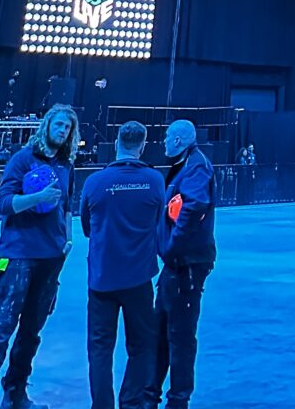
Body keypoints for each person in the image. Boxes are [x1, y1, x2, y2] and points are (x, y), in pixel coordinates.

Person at [0, 103, 79, 409]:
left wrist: (68, 239)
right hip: (17, 256)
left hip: (51, 258)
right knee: (0, 330)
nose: (62, 131)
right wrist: (37, 198)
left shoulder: (66, 166)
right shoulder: (22, 159)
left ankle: (15, 395)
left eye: (67, 127)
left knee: (31, 332)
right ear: (47, 125)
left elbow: (67, 206)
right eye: (58, 124)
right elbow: (4, 204)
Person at [80, 119, 163, 409]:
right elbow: (159, 222)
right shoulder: (154, 180)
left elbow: (87, 228)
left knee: (100, 349)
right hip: (139, 279)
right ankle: (131, 402)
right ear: (142, 146)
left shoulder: (94, 182)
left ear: (116, 143)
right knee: (141, 345)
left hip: (102, 279)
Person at [150, 118, 216, 409]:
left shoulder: (197, 166)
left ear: (178, 140)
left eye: (166, 136)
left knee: (180, 335)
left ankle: (178, 400)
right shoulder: (185, 165)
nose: (163, 141)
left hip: (187, 263)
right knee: (161, 329)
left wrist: (172, 244)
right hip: (176, 263)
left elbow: (194, 205)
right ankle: (150, 393)